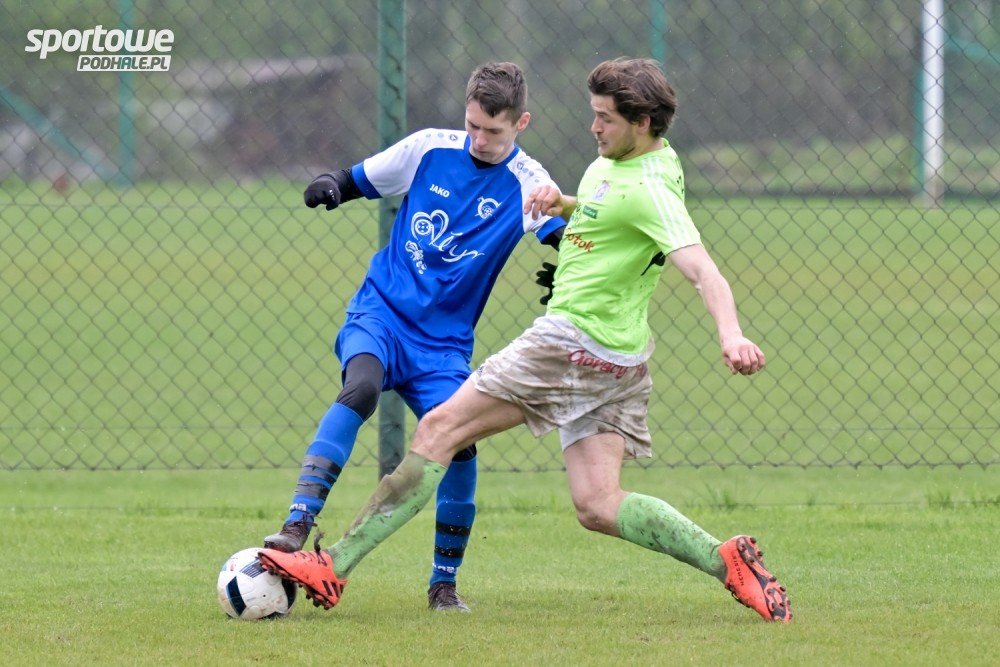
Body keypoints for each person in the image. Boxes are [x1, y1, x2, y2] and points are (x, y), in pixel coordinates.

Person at [259, 57, 793, 623]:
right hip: (621, 358)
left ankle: (334, 565)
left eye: (605, 118)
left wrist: (732, 334)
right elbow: (607, 211)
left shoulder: (652, 189)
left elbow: (702, 269)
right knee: (597, 504)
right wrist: (567, 209)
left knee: (441, 429)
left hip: (571, 342)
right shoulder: (637, 160)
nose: (593, 127)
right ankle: (724, 560)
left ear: (641, 122)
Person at [262, 61, 566, 612]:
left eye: (493, 131)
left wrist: (572, 261)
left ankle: (443, 584)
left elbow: (564, 237)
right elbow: (357, 179)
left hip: (442, 349)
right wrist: (331, 186)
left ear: (521, 123)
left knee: (461, 448)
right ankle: (296, 524)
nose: (479, 139)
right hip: (380, 313)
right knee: (360, 388)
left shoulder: (530, 183)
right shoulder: (429, 148)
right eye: (472, 125)